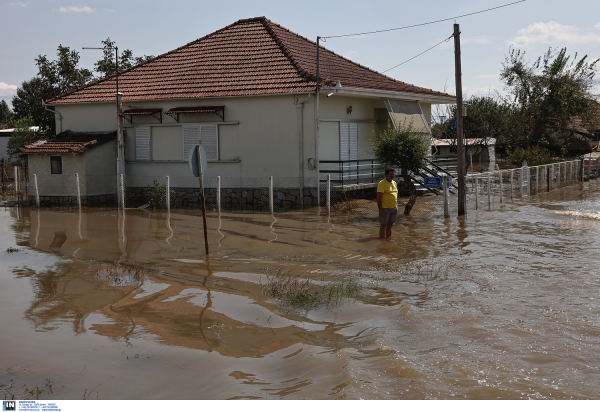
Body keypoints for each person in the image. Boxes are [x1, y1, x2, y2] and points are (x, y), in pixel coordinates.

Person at [377, 168, 398, 239]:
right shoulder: (382, 183)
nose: (392, 176)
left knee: (390, 226)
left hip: (394, 208)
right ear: (386, 175)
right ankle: (382, 242)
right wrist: (380, 209)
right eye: (390, 174)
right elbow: (378, 198)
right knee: (383, 226)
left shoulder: (394, 183)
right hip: (385, 208)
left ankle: (388, 241)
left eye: (393, 174)